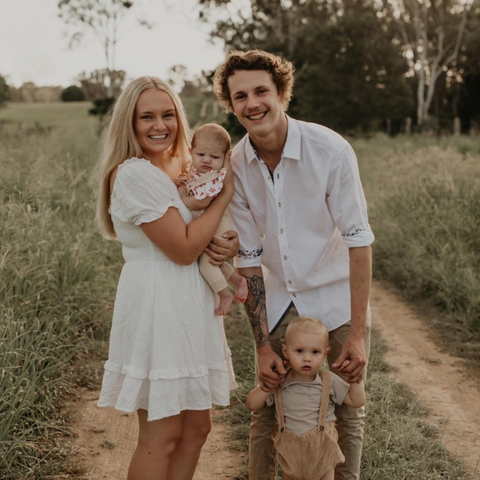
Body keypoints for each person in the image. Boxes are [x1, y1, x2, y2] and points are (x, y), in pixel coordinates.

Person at [213, 49, 374, 480]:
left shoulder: (330, 150)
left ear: (282, 92)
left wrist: (357, 335)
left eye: (262, 90)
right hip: (280, 299)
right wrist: (262, 345)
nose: (253, 103)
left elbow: (360, 244)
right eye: (240, 95)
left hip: (336, 301)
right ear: (231, 104)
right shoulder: (237, 166)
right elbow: (248, 260)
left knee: (347, 416)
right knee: (266, 413)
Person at [95, 76, 239, 480]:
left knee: (197, 428)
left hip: (190, 301)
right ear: (130, 122)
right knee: (163, 432)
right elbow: (183, 248)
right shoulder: (133, 174)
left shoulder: (184, 165)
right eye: (146, 117)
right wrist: (224, 195)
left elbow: (207, 231)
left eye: (168, 114)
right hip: (158, 301)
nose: (160, 125)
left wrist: (228, 244)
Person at [246, 317, 366, 480]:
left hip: (323, 451)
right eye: (299, 351)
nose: (307, 358)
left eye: (315, 352)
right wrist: (265, 387)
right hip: (291, 451)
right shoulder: (279, 382)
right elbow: (252, 404)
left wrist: (356, 381)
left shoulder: (328, 381)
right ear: (286, 351)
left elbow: (356, 401)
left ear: (325, 353)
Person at [178, 123, 248, 316]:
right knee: (212, 260)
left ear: (225, 157)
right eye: (201, 155)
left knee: (205, 265)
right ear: (191, 152)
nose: (207, 160)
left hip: (218, 229)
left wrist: (183, 198)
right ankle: (237, 280)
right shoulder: (196, 173)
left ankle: (224, 294)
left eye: (215, 157)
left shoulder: (215, 177)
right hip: (209, 228)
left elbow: (202, 202)